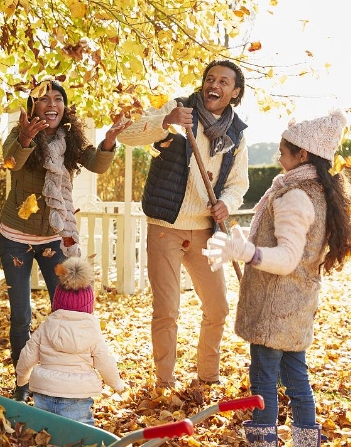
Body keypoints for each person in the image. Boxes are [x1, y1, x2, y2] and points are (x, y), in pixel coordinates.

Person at [203, 110, 351, 446]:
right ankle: (307, 439)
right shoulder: (318, 192)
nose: (278, 156)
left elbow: (288, 257)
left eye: (282, 149)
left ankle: (264, 438)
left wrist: (246, 252)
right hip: (297, 305)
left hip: (274, 308)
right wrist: (245, 239)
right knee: (296, 377)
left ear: (302, 155)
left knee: (263, 379)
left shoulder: (295, 196)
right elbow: (290, 243)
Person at [116, 60, 249, 389]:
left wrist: (226, 204)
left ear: (235, 93)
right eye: (210, 78)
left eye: (223, 81)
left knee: (218, 307)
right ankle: (164, 382)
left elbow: (238, 184)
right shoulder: (179, 108)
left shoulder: (236, 133)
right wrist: (166, 121)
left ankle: (207, 376)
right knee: (167, 309)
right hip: (166, 226)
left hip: (206, 230)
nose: (213, 84)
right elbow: (128, 135)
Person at [0, 79, 129, 401]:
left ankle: (66, 378)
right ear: (34, 107)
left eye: (58, 99)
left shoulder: (70, 139)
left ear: (64, 107)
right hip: (15, 237)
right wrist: (28, 136)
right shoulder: (18, 135)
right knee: (22, 315)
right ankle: (22, 384)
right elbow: (12, 162)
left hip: (54, 239)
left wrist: (110, 140)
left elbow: (97, 164)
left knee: (70, 311)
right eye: (44, 99)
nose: (52, 104)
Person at [15, 256, 125, 425]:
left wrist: (22, 379)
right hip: (77, 397)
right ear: (88, 305)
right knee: (80, 433)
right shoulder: (92, 333)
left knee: (44, 431)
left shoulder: (46, 327)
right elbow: (105, 361)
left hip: (45, 392)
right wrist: (116, 384)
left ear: (57, 301)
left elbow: (27, 355)